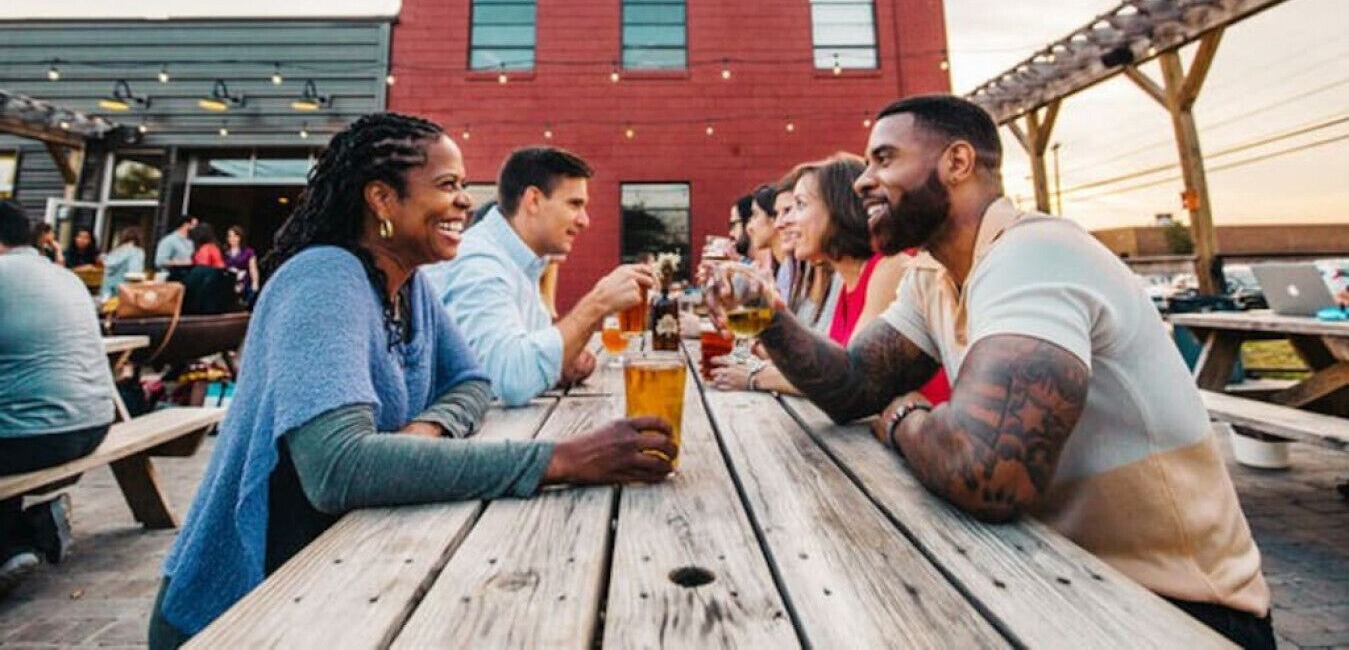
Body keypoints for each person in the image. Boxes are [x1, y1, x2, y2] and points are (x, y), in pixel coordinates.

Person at [704, 94, 1272, 648]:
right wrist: (771, 321)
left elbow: (990, 475)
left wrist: (903, 416)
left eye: (885, 159)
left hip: (1181, 611)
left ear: (956, 162)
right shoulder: (933, 276)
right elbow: (854, 386)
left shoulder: (1035, 253)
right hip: (1055, 576)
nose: (861, 180)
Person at [148, 114, 674, 646]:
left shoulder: (409, 286)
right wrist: (559, 461)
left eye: (463, 186)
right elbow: (338, 468)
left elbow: (472, 380)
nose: (466, 201)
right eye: (447, 185)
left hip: (338, 572)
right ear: (382, 199)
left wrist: (427, 430)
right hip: (243, 607)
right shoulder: (323, 280)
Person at [429, 146, 655, 407]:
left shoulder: (522, 262)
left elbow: (522, 357)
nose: (585, 221)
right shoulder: (480, 263)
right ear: (533, 200)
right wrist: (598, 304)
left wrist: (560, 362)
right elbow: (509, 380)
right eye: (574, 204)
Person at [715, 155, 949, 404]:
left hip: (914, 434)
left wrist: (755, 376)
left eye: (800, 205)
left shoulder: (889, 267)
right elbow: (824, 367)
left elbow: (849, 380)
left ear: (838, 209)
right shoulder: (847, 278)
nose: (786, 221)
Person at [0, 201, 117, 598]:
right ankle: (28, 529)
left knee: (16, 416)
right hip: (95, 423)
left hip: (34, 436)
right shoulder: (64, 277)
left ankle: (14, 540)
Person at [100, 226, 146, 301]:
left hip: (107, 293)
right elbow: (134, 274)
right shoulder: (137, 252)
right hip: (124, 293)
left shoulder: (115, 251)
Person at [223, 225, 260, 305]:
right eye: (230, 236)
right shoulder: (225, 252)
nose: (232, 239)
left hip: (244, 281)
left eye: (235, 236)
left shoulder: (248, 252)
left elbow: (253, 269)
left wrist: (255, 283)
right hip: (229, 282)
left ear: (240, 237)